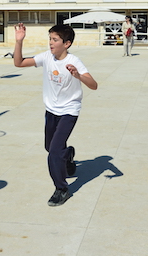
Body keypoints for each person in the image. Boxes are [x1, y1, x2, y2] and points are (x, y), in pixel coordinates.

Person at [12, 22, 98, 206]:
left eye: (55, 40)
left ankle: (62, 189)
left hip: (69, 111)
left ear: (66, 44)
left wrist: (78, 76)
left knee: (53, 153)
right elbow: (18, 63)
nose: (50, 43)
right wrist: (19, 41)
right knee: (50, 147)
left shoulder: (74, 61)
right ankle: (68, 156)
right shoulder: (46, 57)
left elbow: (93, 85)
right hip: (51, 111)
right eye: (50, 39)